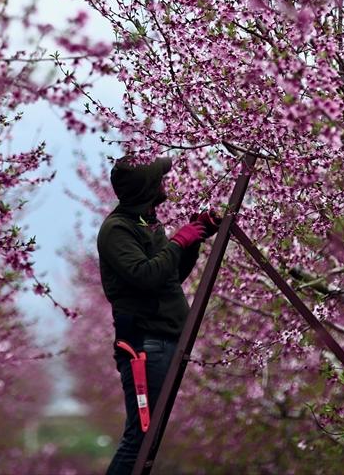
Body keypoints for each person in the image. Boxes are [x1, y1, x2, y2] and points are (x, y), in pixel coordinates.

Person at [97, 155, 220, 475]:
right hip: (145, 346)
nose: (165, 184)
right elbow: (145, 275)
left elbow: (168, 276)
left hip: (163, 341)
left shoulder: (145, 224)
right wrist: (179, 241)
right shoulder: (117, 229)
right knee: (140, 438)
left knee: (146, 440)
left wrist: (194, 239)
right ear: (148, 187)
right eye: (159, 179)